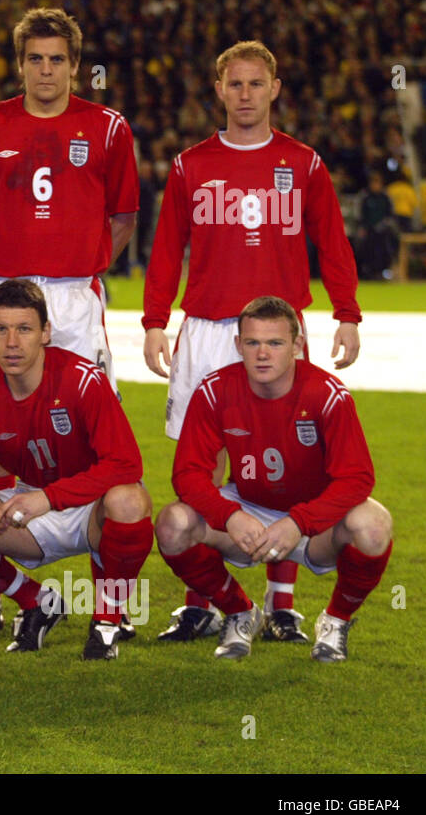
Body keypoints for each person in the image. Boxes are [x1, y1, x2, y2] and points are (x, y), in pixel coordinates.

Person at [142, 40, 362, 642]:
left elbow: (332, 242)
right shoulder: (191, 164)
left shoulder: (304, 163)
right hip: (209, 328)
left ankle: (283, 602)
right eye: (234, 85)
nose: (244, 95)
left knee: (289, 460)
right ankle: (208, 601)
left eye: (255, 84)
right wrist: (154, 320)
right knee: (202, 467)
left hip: (278, 332)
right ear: (219, 91)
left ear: (274, 89)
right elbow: (166, 249)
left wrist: (348, 312)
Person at [0, 7, 138, 635]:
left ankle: (106, 608)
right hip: (1, 297)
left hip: (74, 301)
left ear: (75, 66)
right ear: (20, 62)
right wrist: (17, 278)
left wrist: (71, 269)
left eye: (58, 59)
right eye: (35, 58)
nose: (46, 69)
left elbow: (122, 220)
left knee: (89, 444)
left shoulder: (108, 126)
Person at [0, 280, 153, 660]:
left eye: (25, 329)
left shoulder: (82, 379)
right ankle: (39, 601)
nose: (12, 342)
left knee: (129, 501)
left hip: (90, 504)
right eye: (1, 329)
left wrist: (48, 499)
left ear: (46, 333)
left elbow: (126, 463)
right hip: (28, 506)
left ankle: (108, 618)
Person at [155, 296, 392, 662]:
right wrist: (229, 515)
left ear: (297, 346)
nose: (262, 354)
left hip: (315, 523)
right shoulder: (216, 390)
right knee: (173, 523)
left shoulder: (327, 394)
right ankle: (239, 612)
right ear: (238, 345)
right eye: (252, 343)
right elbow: (187, 474)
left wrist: (300, 522)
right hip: (247, 510)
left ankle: (335, 620)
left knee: (373, 525)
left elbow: (357, 478)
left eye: (275, 343)